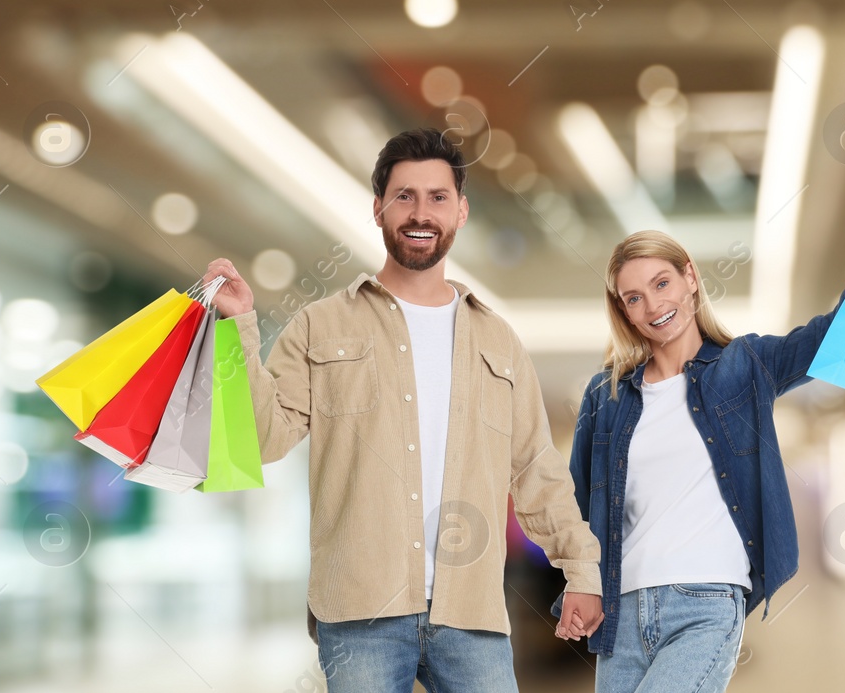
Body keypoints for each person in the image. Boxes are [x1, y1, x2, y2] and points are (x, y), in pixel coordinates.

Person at [200, 128, 603, 693]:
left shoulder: (498, 339)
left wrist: (581, 569)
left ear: (461, 211)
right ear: (378, 209)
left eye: (438, 197)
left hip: (473, 617)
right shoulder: (321, 326)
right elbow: (264, 440)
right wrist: (239, 326)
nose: (421, 212)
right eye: (404, 196)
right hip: (359, 614)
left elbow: (537, 468)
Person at [554, 187, 845, 692]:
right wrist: (582, 582)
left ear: (690, 277)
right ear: (623, 310)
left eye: (662, 283)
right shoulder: (606, 394)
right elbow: (576, 506)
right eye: (633, 297)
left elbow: (831, 336)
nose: (652, 305)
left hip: (705, 601)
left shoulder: (744, 365)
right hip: (621, 610)